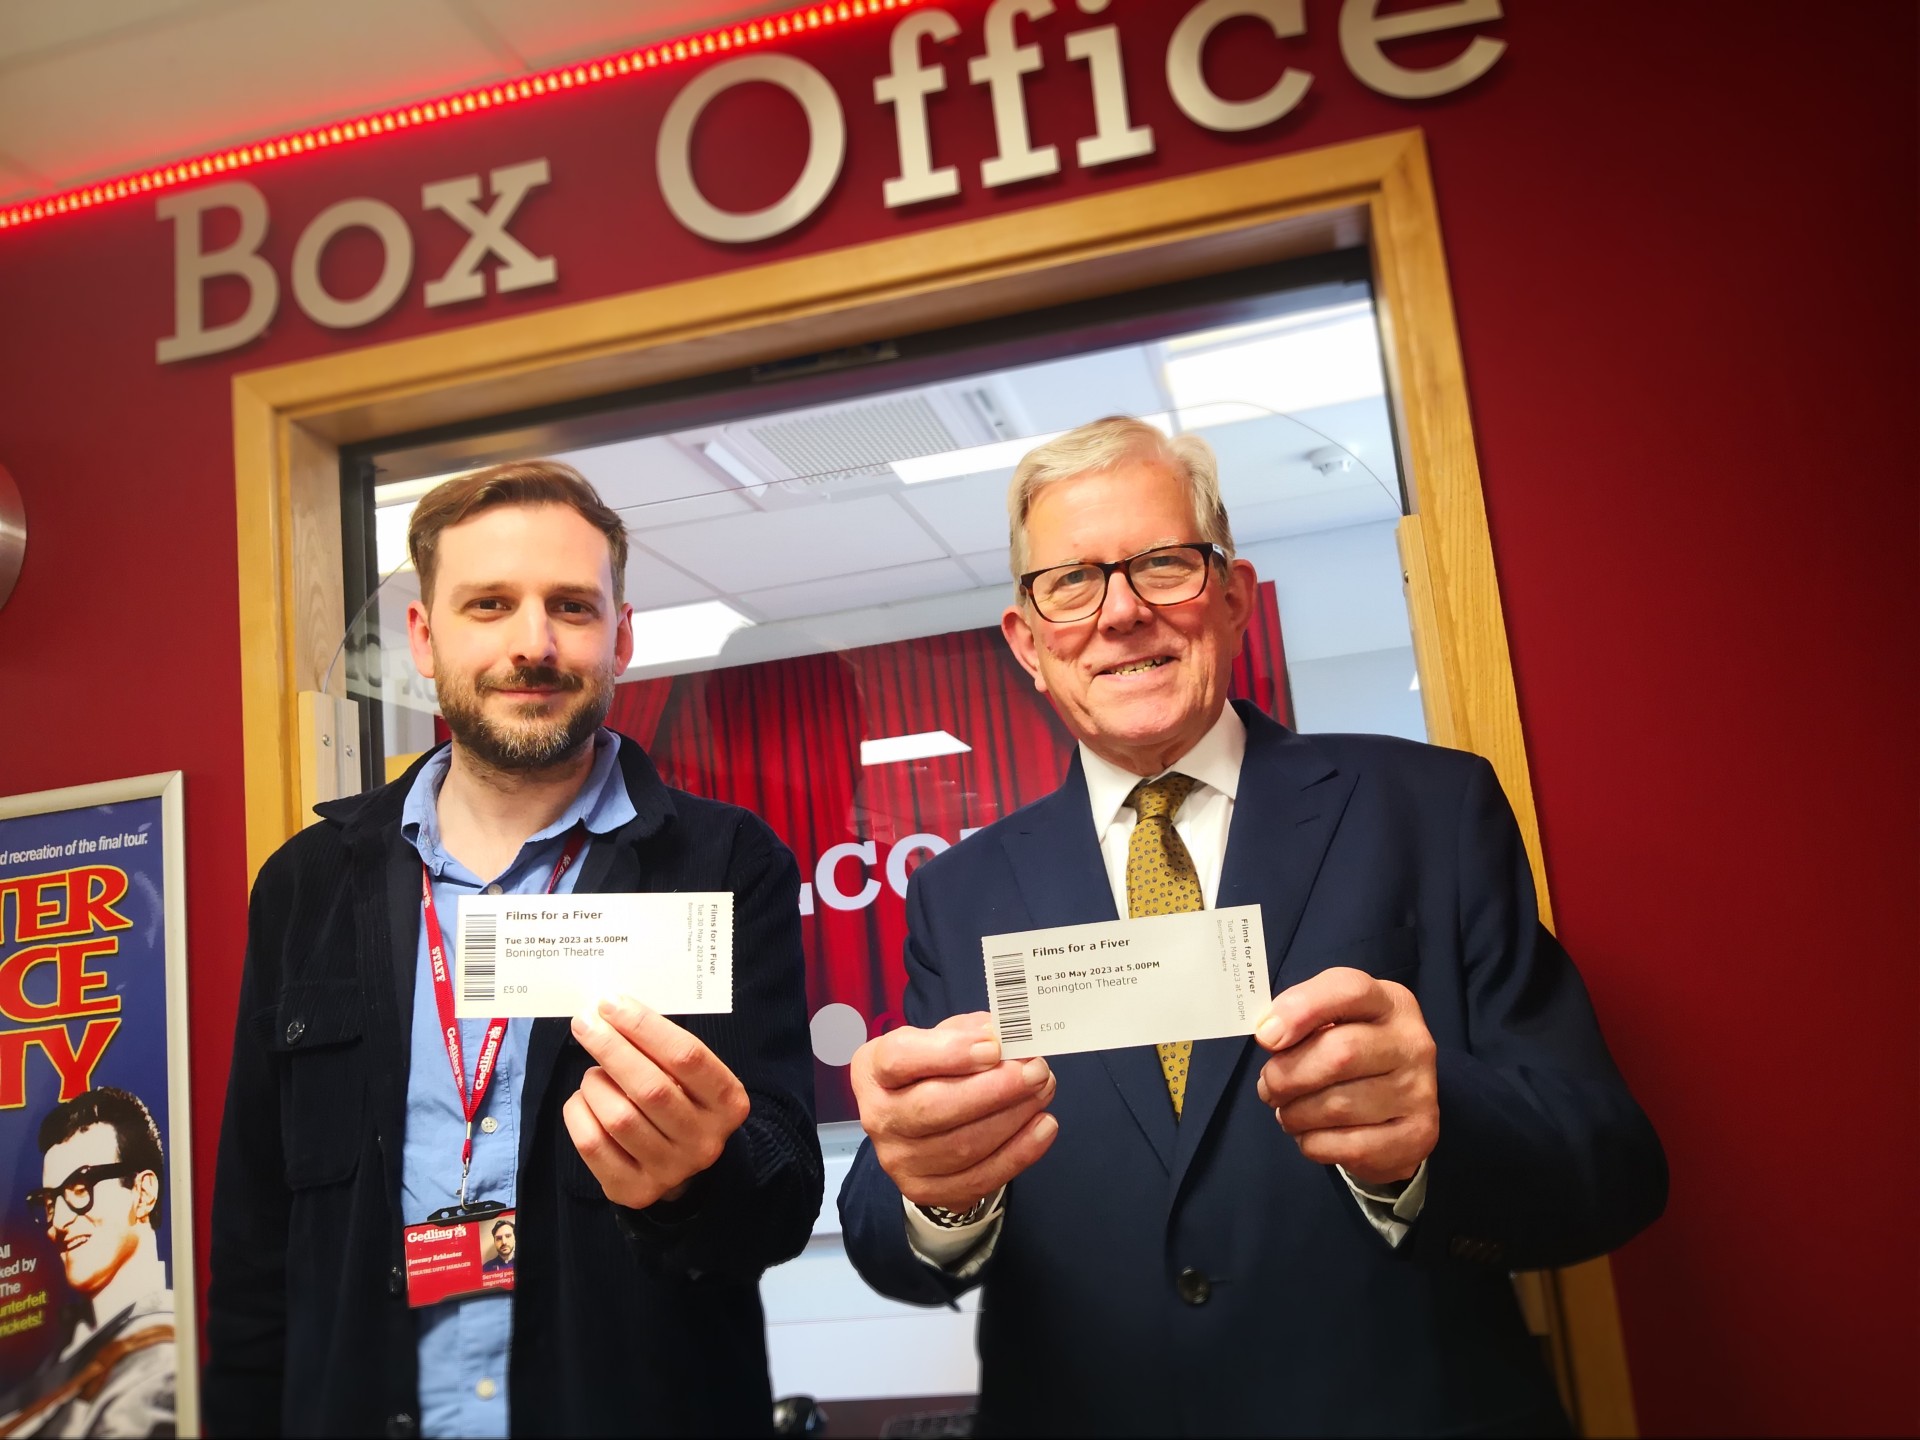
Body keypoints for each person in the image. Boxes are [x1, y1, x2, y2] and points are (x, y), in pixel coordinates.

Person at [838, 417, 1667, 1436]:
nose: (1124, 612)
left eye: (1163, 565)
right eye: (1072, 583)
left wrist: (1432, 1123)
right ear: (1029, 645)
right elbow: (892, 1242)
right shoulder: (958, 895)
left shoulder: (1429, 811)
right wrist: (934, 1193)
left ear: (1232, 596)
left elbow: (1613, 1172)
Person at [203, 462, 821, 1438]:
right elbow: (254, 1247)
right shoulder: (306, 886)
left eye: (571, 607)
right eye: (489, 604)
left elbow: (779, 1207)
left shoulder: (724, 861)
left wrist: (703, 1173)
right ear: (424, 637)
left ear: (621, 637)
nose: (532, 644)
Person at [0, 1087, 176, 1438]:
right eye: (50, 1202)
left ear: (143, 1194)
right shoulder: (79, 1339)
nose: (58, 1222)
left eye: (81, 1188)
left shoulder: (160, 1362)